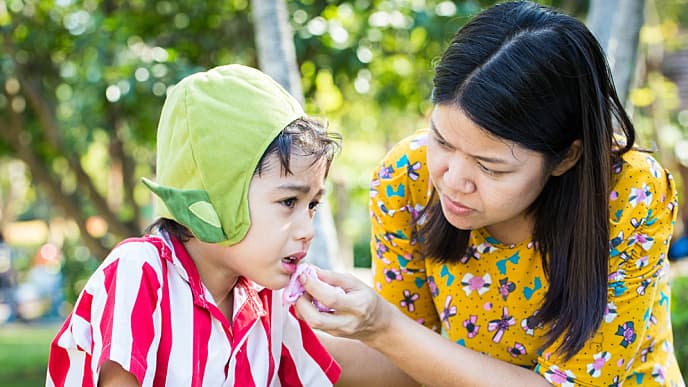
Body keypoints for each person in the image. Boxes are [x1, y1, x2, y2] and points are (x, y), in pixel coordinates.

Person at [295, 2, 685, 386]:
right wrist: (271, 327)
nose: (453, 180)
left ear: (567, 157)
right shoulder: (407, 178)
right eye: (442, 141)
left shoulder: (629, 194)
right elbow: (406, 365)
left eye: (490, 167)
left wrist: (383, 326)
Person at [46, 64, 342, 386]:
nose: (307, 230)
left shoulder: (267, 299)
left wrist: (376, 321)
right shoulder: (141, 272)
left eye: (312, 205)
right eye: (289, 203)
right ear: (217, 196)